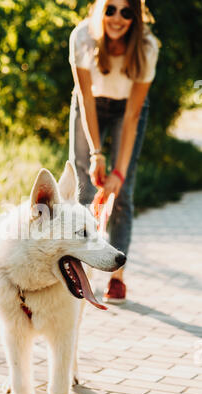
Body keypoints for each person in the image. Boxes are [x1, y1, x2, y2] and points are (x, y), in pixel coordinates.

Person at [69, 0, 159, 304]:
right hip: (89, 103)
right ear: (100, 11)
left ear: (135, 16)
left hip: (127, 111)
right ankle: (77, 270)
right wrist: (97, 153)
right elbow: (85, 98)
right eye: (110, 9)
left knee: (123, 192)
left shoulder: (147, 47)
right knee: (80, 188)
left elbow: (133, 115)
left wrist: (118, 171)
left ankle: (117, 277)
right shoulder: (82, 37)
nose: (117, 18)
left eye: (126, 11)